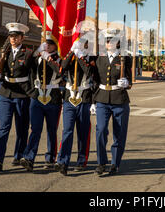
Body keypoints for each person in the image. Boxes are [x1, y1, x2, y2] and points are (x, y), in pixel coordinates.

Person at [0, 23, 33, 172]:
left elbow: (32, 76)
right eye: (11, 36)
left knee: (21, 128)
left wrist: (32, 94)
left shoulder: (28, 54)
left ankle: (19, 156)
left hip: (22, 94)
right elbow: (1, 71)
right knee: (4, 127)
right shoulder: (4, 53)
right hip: (6, 93)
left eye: (16, 36)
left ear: (22, 38)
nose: (13, 39)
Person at [20, 33, 64, 173]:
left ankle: (50, 157)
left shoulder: (59, 59)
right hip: (37, 96)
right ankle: (29, 158)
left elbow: (60, 71)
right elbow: (26, 66)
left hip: (53, 97)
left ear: (55, 45)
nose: (47, 46)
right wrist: (38, 52)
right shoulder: (38, 57)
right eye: (46, 43)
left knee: (51, 130)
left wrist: (49, 59)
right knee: (35, 128)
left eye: (50, 44)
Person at [93, 28, 132, 176]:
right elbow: (95, 81)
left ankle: (115, 163)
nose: (109, 43)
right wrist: (92, 101)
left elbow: (129, 81)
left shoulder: (125, 58)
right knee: (101, 130)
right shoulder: (99, 58)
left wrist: (126, 83)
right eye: (107, 40)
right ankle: (101, 162)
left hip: (119, 99)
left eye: (113, 40)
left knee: (119, 133)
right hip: (102, 98)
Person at [56, 38, 96, 176]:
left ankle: (81, 160)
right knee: (67, 130)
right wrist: (72, 52)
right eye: (79, 42)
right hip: (69, 97)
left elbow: (89, 71)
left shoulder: (91, 57)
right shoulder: (70, 55)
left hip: (84, 97)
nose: (83, 45)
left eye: (85, 43)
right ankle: (62, 161)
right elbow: (62, 69)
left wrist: (80, 56)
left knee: (83, 131)